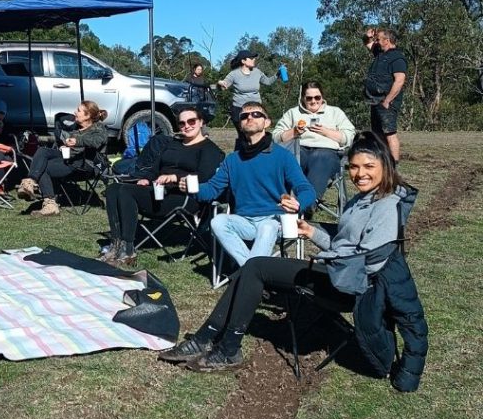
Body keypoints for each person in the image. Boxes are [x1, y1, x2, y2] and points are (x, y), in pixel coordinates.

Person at [159, 132, 427, 375]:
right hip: (340, 271)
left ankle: (223, 346)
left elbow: (367, 260)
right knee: (253, 269)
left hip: (349, 284)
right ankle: (210, 338)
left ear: (385, 166)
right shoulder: (363, 198)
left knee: (255, 268)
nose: (360, 174)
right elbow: (347, 243)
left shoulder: (386, 206)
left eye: (369, 166)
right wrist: (311, 232)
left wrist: (324, 257)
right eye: (354, 167)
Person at [101, 107, 224, 269]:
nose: (186, 126)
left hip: (186, 198)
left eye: (191, 121)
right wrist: (146, 178)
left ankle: (128, 249)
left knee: (125, 191)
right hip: (159, 191)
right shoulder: (173, 144)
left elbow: (205, 177)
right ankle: (116, 244)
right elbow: (154, 169)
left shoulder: (210, 150)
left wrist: (176, 178)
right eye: (182, 123)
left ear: (201, 122)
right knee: (113, 189)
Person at [199, 101, 316, 270]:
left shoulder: (282, 156)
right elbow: (211, 190)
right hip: (244, 221)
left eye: (256, 114)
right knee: (218, 221)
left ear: (267, 123)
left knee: (268, 226)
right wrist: (190, 186)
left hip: (274, 220)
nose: (250, 118)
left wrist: (298, 203)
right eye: (244, 116)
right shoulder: (232, 160)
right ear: (240, 123)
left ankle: (249, 275)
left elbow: (307, 190)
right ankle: (253, 272)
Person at [16, 101, 109, 217]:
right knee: (42, 151)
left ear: (88, 116)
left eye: (79, 110)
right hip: (72, 158)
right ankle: (29, 182)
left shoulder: (99, 128)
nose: (75, 112)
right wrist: (65, 146)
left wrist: (77, 141)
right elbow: (73, 149)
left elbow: (96, 142)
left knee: (44, 167)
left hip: (88, 165)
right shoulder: (76, 129)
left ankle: (50, 204)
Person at [272, 81, 357, 200]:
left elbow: (349, 136)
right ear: (303, 98)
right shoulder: (293, 113)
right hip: (299, 150)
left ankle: (307, 202)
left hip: (328, 152)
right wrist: (293, 132)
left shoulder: (335, 112)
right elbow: (276, 137)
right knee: (290, 159)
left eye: (317, 97)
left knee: (321, 157)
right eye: (309, 98)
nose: (313, 101)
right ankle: (284, 201)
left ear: (322, 97)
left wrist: (326, 132)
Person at [364, 26, 407, 162]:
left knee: (389, 134)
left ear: (387, 40)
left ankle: (394, 165)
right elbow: (367, 42)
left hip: (387, 102)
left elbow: (399, 81)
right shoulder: (379, 53)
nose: (376, 42)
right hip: (375, 101)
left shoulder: (397, 58)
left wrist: (388, 100)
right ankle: (382, 161)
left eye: (378, 39)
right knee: (377, 134)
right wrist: (369, 36)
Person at [217, 50, 277, 138]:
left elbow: (268, 82)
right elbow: (222, 87)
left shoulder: (257, 72)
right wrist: (220, 83)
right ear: (243, 61)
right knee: (244, 137)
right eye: (251, 58)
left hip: (256, 109)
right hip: (239, 109)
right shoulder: (234, 74)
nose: (254, 60)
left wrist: (277, 74)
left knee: (257, 135)